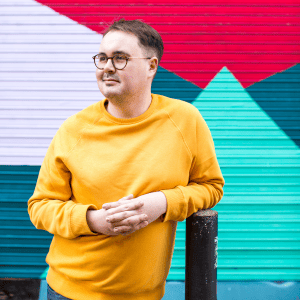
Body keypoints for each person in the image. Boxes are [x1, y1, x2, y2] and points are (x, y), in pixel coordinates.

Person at [27, 18, 225, 300]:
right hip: (69, 291)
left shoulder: (184, 121)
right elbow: (40, 206)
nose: (107, 67)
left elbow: (211, 187)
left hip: (144, 294)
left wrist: (163, 202)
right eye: (102, 58)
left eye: (120, 58)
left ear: (151, 66)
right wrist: (94, 220)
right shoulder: (74, 129)